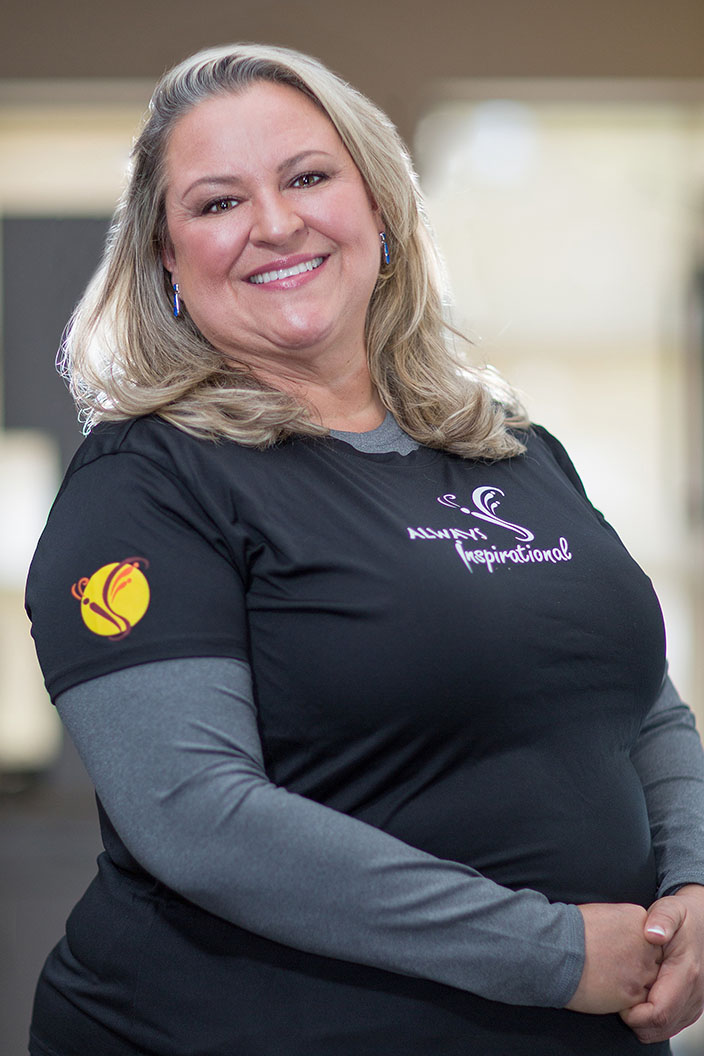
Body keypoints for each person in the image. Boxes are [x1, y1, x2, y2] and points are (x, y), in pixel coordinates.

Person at [25, 42, 704, 1056]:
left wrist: (693, 875)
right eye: (216, 203)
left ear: (377, 212)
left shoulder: (510, 449)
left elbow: (635, 702)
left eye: (307, 177)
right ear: (165, 260)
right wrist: (548, 951)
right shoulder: (145, 485)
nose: (274, 222)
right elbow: (198, 819)